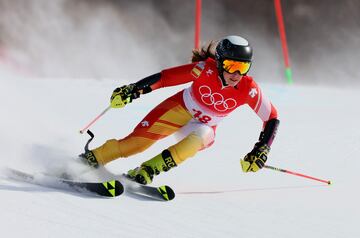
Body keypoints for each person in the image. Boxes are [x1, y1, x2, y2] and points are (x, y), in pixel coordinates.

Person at [80, 35, 280, 185]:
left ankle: (147, 171)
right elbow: (165, 78)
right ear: (219, 62)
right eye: (231, 65)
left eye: (243, 68)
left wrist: (262, 148)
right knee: (137, 144)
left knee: (203, 136)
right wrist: (133, 90)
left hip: (203, 125)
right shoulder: (203, 69)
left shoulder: (249, 88)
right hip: (179, 109)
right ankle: (92, 158)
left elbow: (271, 117)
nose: (236, 74)